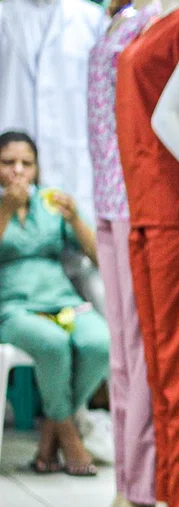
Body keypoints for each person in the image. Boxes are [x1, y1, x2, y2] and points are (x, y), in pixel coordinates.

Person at [0, 131, 108, 476]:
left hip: (61, 299)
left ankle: (53, 427)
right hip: (13, 306)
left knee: (99, 342)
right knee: (52, 344)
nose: (18, 170)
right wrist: (6, 209)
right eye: (8, 163)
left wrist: (75, 218)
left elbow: (97, 256)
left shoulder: (49, 203)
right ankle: (70, 440)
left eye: (26, 163)